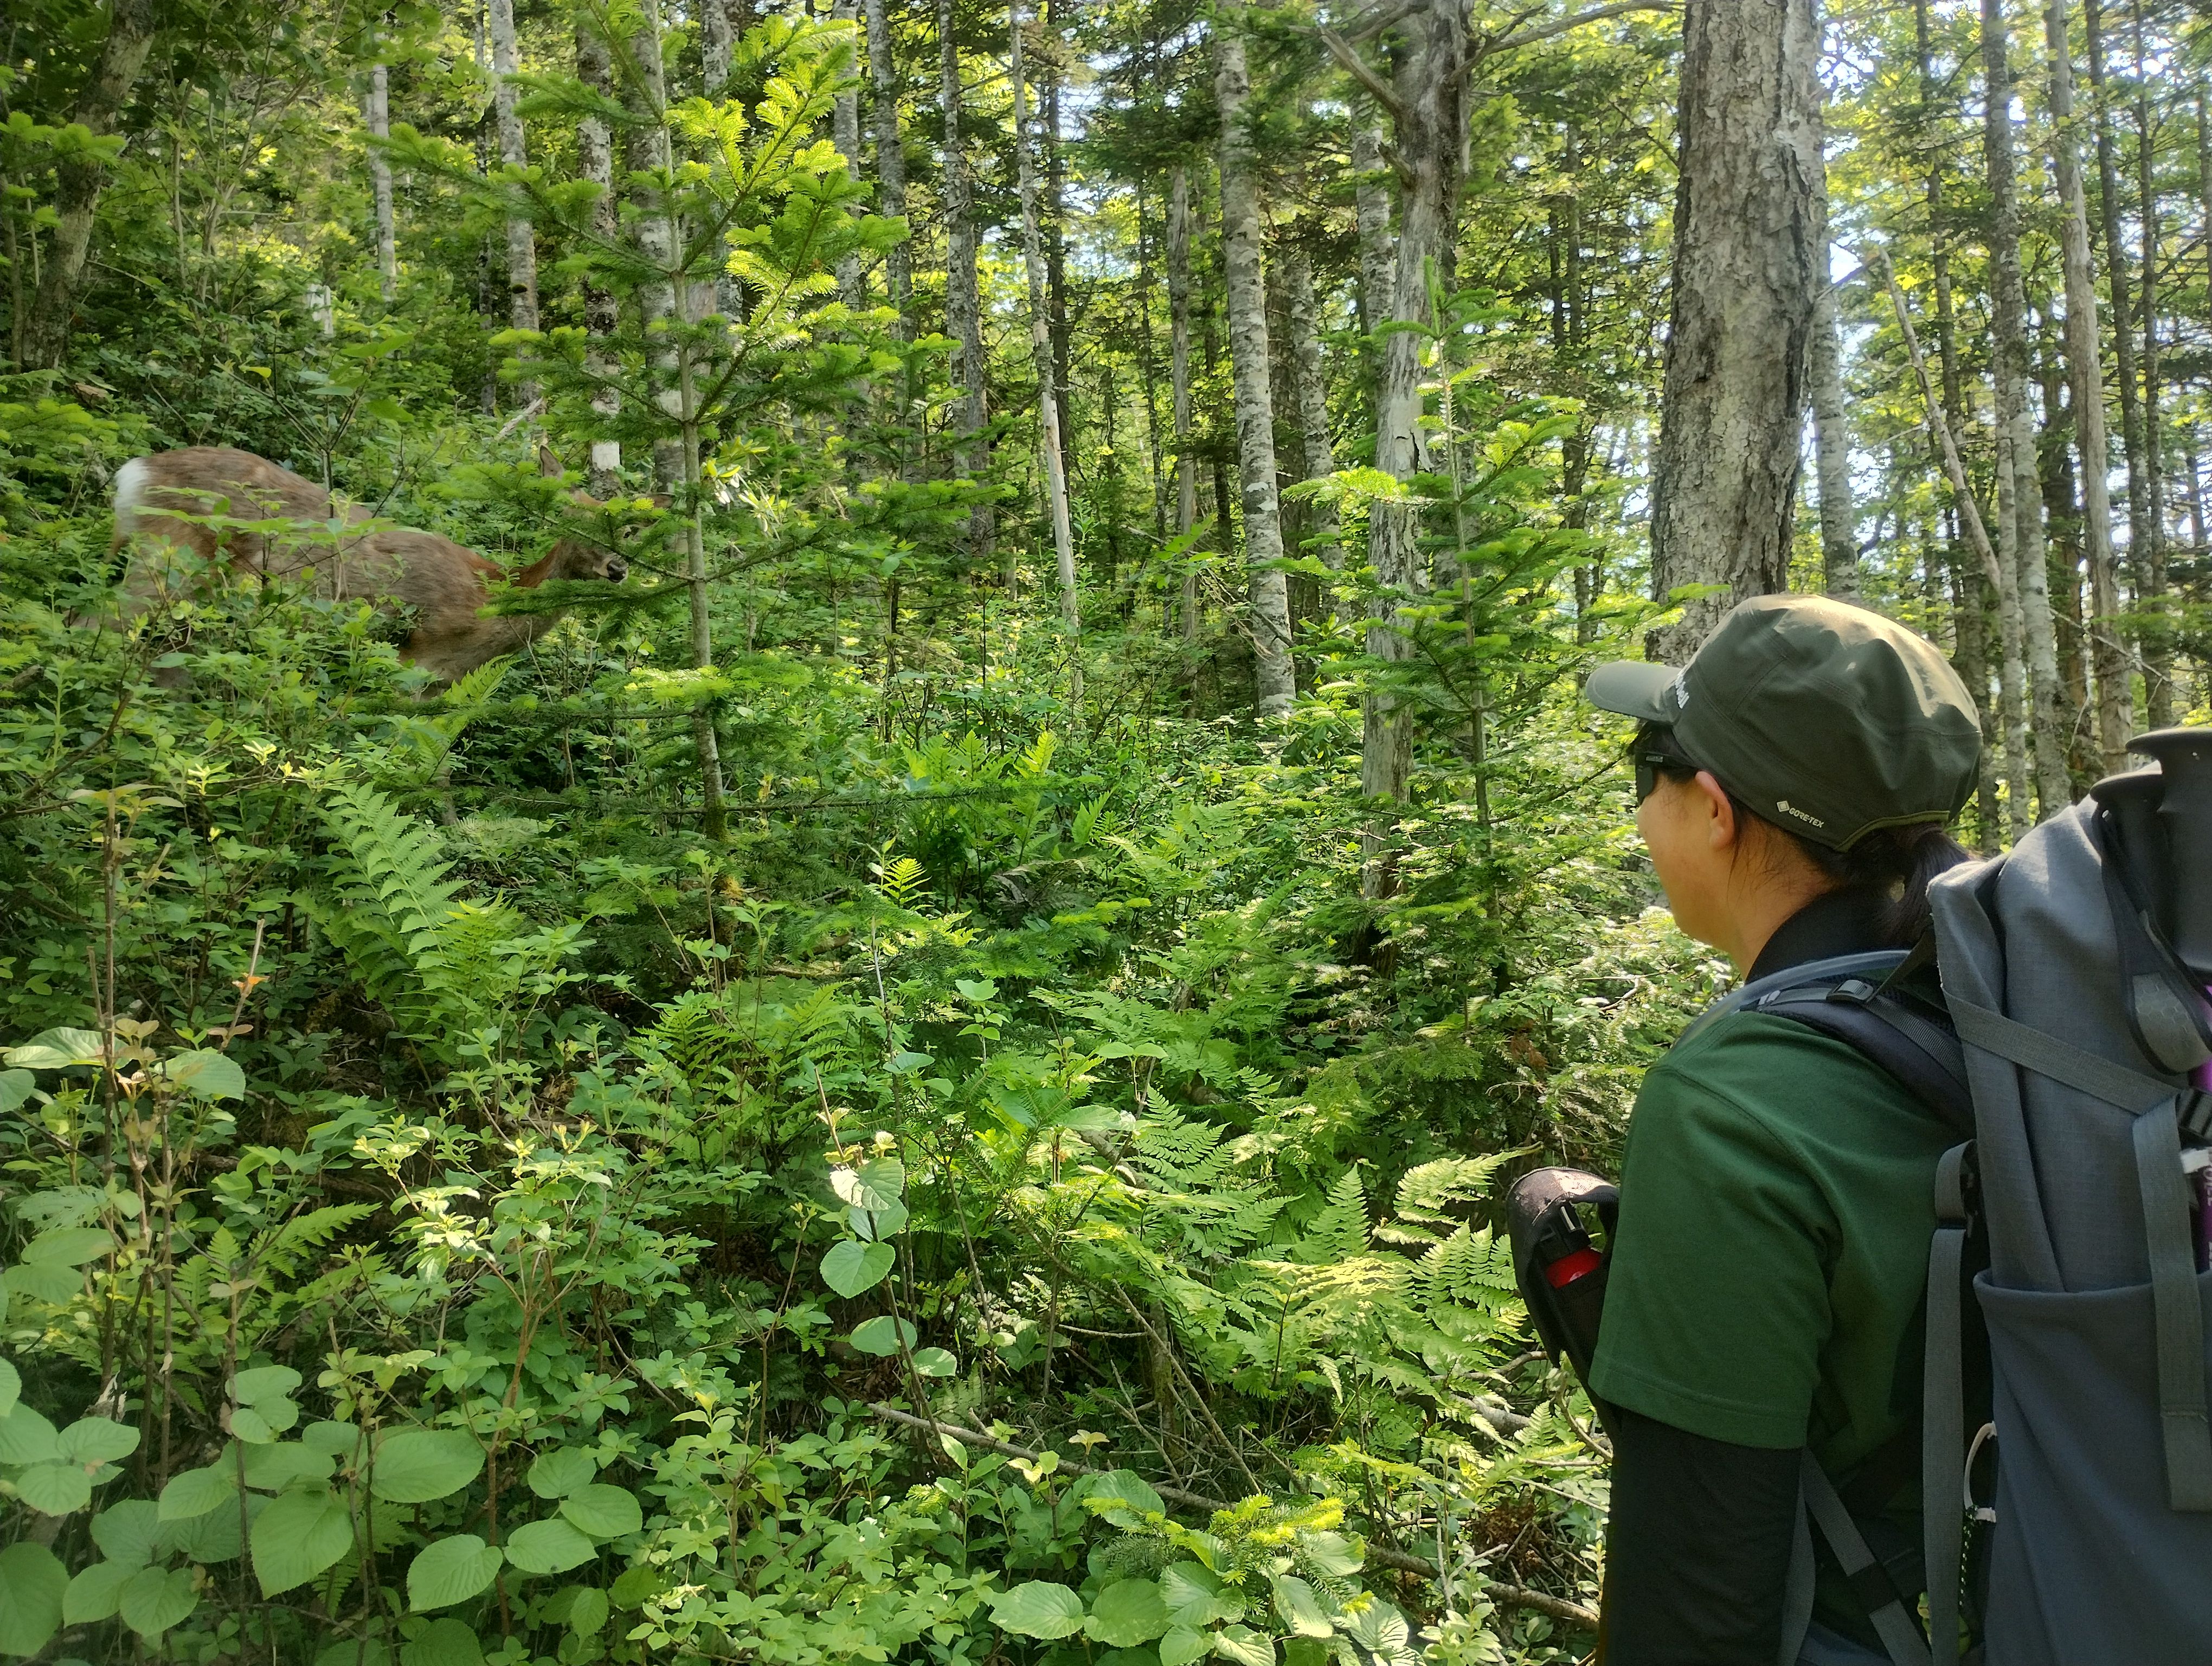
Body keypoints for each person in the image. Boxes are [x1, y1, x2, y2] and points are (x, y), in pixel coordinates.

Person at [1578, 594, 1985, 1665]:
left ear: (1714, 810)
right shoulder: (2010, 1007)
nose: (1637, 815)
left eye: (1645, 773)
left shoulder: (1734, 1108)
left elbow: (1696, 1598)